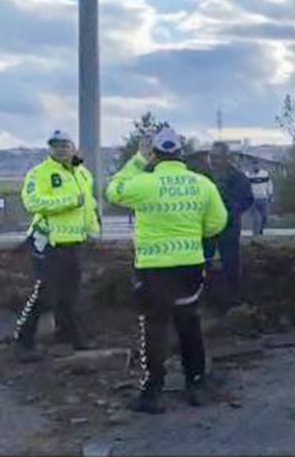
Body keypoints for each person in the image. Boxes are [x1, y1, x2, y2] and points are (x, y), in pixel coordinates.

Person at [106, 128, 227, 414]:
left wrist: (138, 159)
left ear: (156, 154)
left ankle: (153, 393)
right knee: (189, 323)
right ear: (180, 153)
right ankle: (196, 384)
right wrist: (192, 233)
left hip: (153, 270)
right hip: (189, 267)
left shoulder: (144, 184)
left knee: (155, 327)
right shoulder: (202, 184)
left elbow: (113, 191)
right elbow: (217, 223)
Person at [13, 130, 100, 362]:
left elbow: (89, 206)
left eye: (64, 145)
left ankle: (69, 336)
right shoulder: (39, 173)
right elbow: (33, 202)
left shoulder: (83, 173)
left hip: (75, 243)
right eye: (55, 146)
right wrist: (69, 202)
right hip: (48, 243)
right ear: (49, 149)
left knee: (70, 294)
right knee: (46, 293)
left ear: (73, 147)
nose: (60, 149)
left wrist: (93, 232)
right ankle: (23, 341)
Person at [203, 142, 253, 310]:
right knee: (205, 261)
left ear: (226, 158)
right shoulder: (204, 177)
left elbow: (246, 199)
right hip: (207, 228)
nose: (213, 160)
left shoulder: (238, 177)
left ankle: (232, 298)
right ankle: (206, 297)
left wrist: (229, 214)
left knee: (230, 262)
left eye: (217, 157)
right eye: (211, 156)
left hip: (229, 228)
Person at [247, 164, 273, 235]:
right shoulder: (248, 175)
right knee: (256, 218)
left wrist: (270, 194)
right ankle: (255, 234)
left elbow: (269, 184)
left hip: (263, 198)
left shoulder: (264, 174)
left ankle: (261, 230)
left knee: (265, 216)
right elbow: (245, 186)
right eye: (253, 166)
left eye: (256, 165)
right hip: (253, 199)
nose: (255, 167)